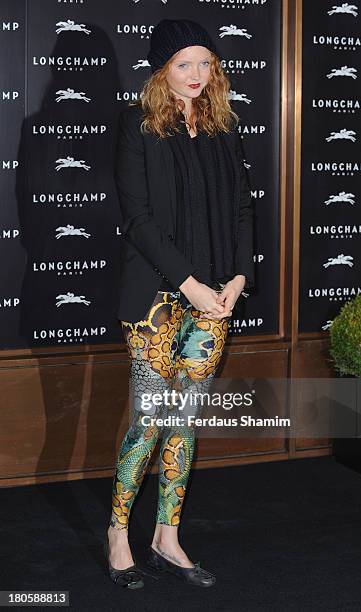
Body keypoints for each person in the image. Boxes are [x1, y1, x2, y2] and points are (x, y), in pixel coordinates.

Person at [104, 18, 255, 589]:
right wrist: (190, 284)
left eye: (205, 63)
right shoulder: (136, 127)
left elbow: (244, 210)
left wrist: (237, 280)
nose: (196, 75)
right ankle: (119, 534)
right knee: (147, 423)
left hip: (215, 300)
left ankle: (167, 537)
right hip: (157, 303)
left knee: (185, 423)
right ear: (162, 67)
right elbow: (138, 221)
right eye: (183, 63)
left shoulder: (222, 129)